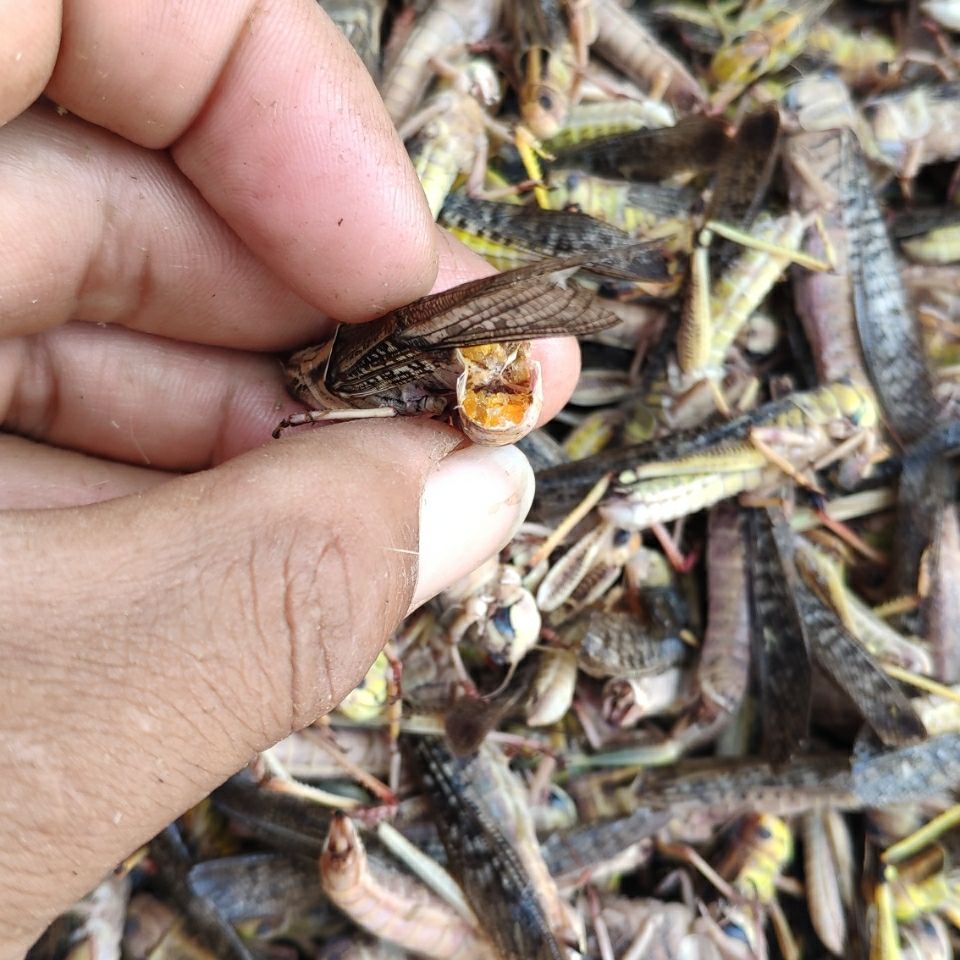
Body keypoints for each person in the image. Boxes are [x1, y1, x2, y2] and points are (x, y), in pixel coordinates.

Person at [0, 2, 584, 955]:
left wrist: (342, 401)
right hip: (389, 370)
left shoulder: (332, 375)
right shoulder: (295, 369)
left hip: (418, 363)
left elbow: (362, 381)